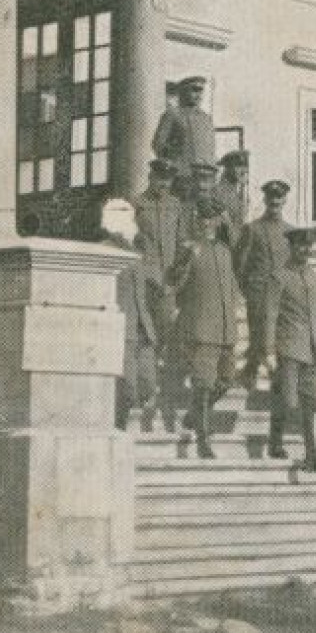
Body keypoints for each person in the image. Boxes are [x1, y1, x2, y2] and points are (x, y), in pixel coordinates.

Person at [168, 196, 243, 458]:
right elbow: (174, 282)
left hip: (225, 331)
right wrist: (184, 259)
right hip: (201, 330)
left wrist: (230, 223)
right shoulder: (190, 248)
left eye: (211, 218)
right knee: (203, 386)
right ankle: (203, 439)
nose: (206, 223)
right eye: (202, 218)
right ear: (196, 221)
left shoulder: (225, 251)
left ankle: (193, 417)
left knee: (227, 381)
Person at [261, 227, 316, 477]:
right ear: (291, 248)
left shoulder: (313, 275)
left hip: (315, 349)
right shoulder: (279, 276)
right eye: (300, 246)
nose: (305, 251)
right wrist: (269, 350)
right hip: (290, 348)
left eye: (308, 247)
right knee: (287, 400)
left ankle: (314, 457)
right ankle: (275, 442)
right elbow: (270, 315)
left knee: (314, 404)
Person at [133, 158, 188, 409]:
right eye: (159, 179)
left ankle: (165, 390)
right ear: (151, 177)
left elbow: (181, 242)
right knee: (146, 334)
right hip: (144, 280)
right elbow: (127, 239)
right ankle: (146, 388)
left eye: (168, 181)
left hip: (168, 283)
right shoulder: (137, 204)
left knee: (167, 335)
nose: (163, 184)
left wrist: (178, 274)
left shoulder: (176, 206)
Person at [101, 197, 158, 432]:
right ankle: (118, 429)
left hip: (142, 329)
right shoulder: (104, 250)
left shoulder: (136, 252)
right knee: (127, 386)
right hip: (120, 329)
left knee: (148, 383)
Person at [234, 180, 293, 384]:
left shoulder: (290, 232)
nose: (275, 202)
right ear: (265, 200)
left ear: (284, 200)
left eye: (279, 198)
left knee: (277, 334)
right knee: (258, 331)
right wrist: (249, 289)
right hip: (258, 291)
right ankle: (252, 370)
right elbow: (241, 264)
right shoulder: (253, 229)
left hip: (282, 293)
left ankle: (266, 372)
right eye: (271, 198)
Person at [152, 76, 216, 193]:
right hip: (182, 178)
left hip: (205, 180)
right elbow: (158, 144)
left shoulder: (206, 118)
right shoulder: (172, 115)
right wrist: (175, 161)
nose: (198, 95)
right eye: (194, 90)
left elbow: (211, 149)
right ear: (183, 91)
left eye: (201, 91)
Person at [211, 150, 251, 232]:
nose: (244, 171)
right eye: (238, 166)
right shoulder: (217, 192)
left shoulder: (238, 192)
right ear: (227, 168)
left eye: (245, 167)